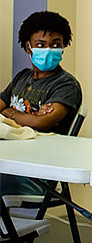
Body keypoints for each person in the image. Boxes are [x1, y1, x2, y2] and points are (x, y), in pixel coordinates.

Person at [0, 11, 82, 196]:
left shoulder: (66, 84)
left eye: (56, 44)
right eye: (40, 45)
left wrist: (9, 112)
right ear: (28, 48)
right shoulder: (22, 77)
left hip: (37, 176)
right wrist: (26, 117)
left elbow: (41, 123)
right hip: (12, 162)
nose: (48, 50)